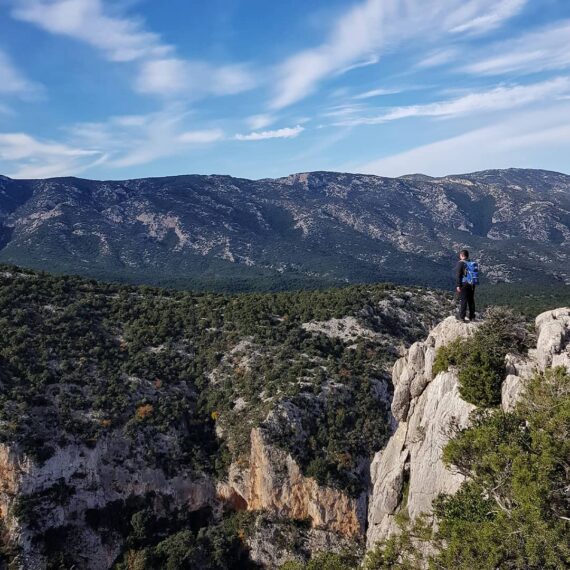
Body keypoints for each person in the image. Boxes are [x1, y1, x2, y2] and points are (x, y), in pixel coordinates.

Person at [454, 249, 477, 322]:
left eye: (460, 255)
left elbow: (458, 275)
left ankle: (462, 317)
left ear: (462, 255)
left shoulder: (460, 263)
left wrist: (458, 285)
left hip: (464, 284)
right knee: (471, 300)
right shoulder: (471, 263)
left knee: (463, 300)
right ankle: (472, 317)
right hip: (472, 284)